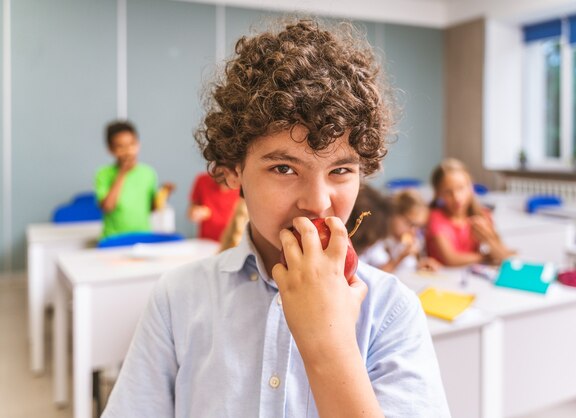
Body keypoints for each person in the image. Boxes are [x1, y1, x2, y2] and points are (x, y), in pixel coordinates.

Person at [103, 19, 449, 418]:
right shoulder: (177, 300)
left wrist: (328, 345)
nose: (318, 204)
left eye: (341, 171)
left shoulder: (391, 311)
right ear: (234, 171)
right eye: (285, 168)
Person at [425, 158, 514, 266]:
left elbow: (505, 256)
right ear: (438, 193)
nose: (456, 197)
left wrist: (488, 238)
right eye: (448, 192)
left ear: (471, 187)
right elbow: (451, 259)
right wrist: (486, 256)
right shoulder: (435, 218)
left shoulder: (482, 215)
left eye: (461, 188)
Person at [94, 120, 174, 238]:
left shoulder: (148, 173)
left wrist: (164, 193)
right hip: (113, 239)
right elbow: (107, 207)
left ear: (138, 144)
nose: (128, 150)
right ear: (111, 149)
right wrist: (122, 173)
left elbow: (151, 208)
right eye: (121, 146)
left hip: (143, 236)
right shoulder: (103, 174)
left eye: (132, 144)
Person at [350, 186, 440, 273]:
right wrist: (401, 257)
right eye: (409, 224)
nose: (413, 231)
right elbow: (379, 274)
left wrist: (419, 264)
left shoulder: (405, 241)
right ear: (395, 214)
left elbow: (406, 268)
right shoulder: (377, 239)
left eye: (418, 227)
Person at [188, 172, 241, 241]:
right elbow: (190, 212)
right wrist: (195, 212)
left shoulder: (242, 187)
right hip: (206, 242)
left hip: (231, 242)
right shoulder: (202, 181)